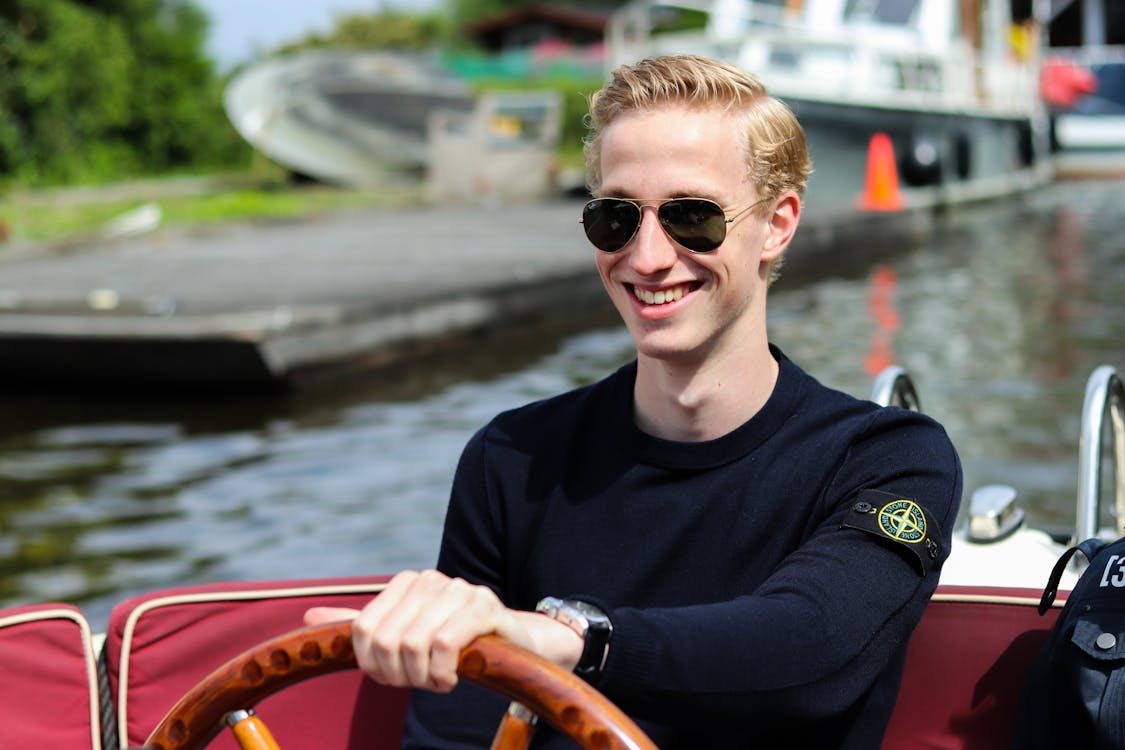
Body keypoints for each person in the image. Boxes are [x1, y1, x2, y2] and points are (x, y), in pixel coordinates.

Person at [306, 53, 962, 749]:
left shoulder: (887, 459)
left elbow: (813, 644)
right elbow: (455, 734)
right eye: (616, 218)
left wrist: (565, 639)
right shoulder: (511, 458)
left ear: (775, 224)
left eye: (691, 217)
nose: (647, 257)